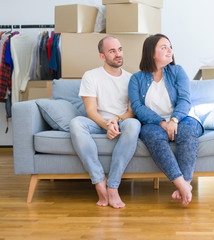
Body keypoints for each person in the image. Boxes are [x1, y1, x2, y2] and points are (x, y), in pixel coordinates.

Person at [128, 34, 203, 206]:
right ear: (151, 53)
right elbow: (138, 108)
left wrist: (174, 120)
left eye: (170, 47)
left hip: (182, 118)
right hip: (154, 123)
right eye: (164, 47)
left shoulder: (178, 71)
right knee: (153, 135)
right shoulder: (136, 79)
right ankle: (182, 185)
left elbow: (185, 100)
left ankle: (185, 184)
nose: (170, 51)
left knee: (188, 130)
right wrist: (162, 123)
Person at [69, 36, 141, 208]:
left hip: (121, 122)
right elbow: (91, 111)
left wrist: (116, 121)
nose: (118, 54)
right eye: (112, 51)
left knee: (134, 124)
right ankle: (99, 181)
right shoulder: (90, 76)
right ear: (102, 56)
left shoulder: (131, 79)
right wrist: (107, 125)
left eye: (120, 49)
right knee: (76, 123)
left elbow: (131, 111)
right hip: (98, 122)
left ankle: (113, 185)